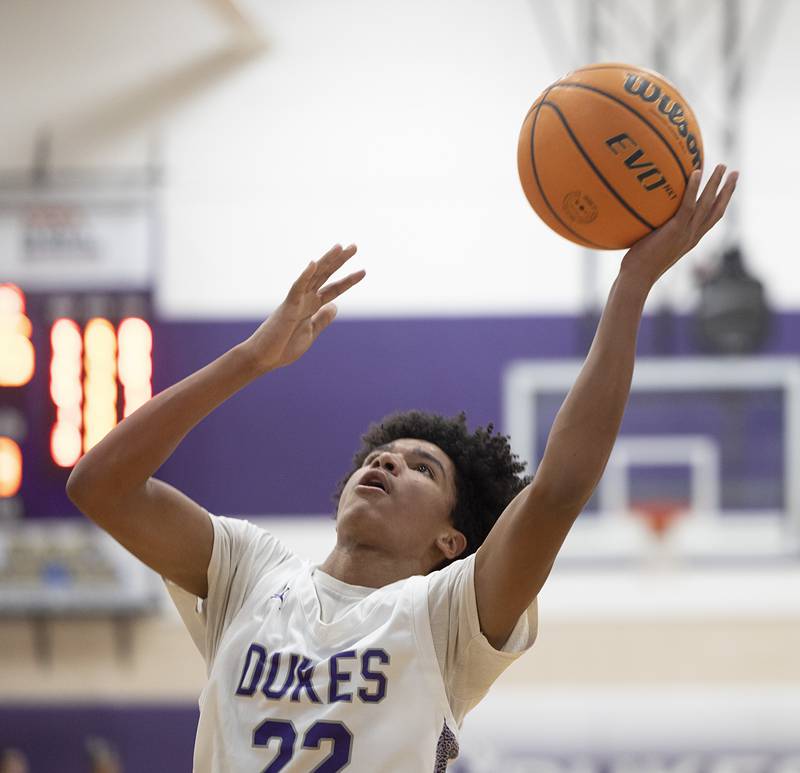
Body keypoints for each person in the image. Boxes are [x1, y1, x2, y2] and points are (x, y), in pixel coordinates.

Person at [66, 165, 737, 771]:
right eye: (381, 455)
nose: (387, 460)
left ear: (451, 540)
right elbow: (100, 487)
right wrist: (248, 360)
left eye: (423, 467)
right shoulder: (251, 570)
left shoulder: (446, 614)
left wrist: (631, 285)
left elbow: (558, 490)